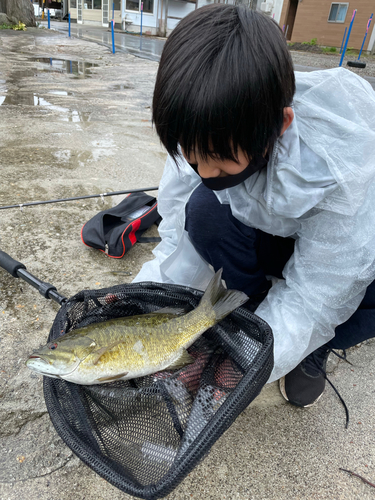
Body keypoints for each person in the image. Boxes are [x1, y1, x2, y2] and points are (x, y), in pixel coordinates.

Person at [133, 4, 375, 411]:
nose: (204, 170)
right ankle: (253, 306)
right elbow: (177, 234)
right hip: (279, 232)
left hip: (356, 246)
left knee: (346, 298)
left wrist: (248, 362)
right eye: (191, 157)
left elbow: (319, 295)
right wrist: (143, 297)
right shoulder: (203, 124)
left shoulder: (342, 169)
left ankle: (316, 346)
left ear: (279, 126)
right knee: (204, 213)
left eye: (217, 157)